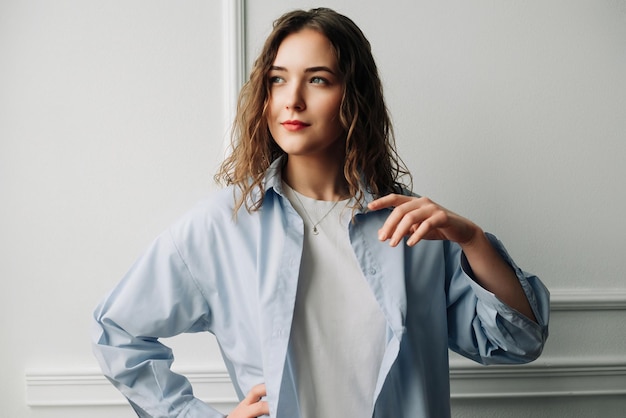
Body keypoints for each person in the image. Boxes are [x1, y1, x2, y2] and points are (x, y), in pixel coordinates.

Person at [91, 7, 549, 418]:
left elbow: (518, 341)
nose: (292, 99)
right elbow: (118, 333)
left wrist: (472, 241)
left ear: (354, 97)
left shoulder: (413, 227)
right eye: (277, 79)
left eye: (317, 79)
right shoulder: (222, 225)